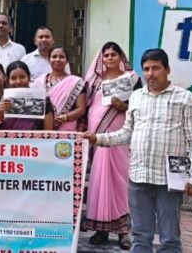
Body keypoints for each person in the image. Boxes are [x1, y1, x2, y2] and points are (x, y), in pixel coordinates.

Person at [84, 48, 192, 253]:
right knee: (140, 236)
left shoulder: (185, 98)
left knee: (169, 238)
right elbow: (126, 133)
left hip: (169, 178)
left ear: (167, 69)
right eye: (146, 69)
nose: (150, 74)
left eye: (156, 68)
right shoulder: (137, 97)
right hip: (139, 175)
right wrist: (98, 138)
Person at [82, 42, 142, 250]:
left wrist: (124, 107)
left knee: (119, 181)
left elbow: (141, 106)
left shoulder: (132, 79)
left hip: (120, 133)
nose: (109, 58)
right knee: (100, 179)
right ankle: (101, 230)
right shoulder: (94, 81)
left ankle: (123, 231)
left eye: (113, 55)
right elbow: (88, 106)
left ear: (121, 57)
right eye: (106, 55)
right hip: (97, 133)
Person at [0, 61, 54, 131]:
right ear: (8, 80)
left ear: (29, 77)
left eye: (22, 77)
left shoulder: (42, 102)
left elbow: (48, 134)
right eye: (13, 78)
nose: (18, 82)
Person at [33, 46, 87, 131]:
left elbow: (81, 109)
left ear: (67, 60)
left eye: (61, 57)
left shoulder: (76, 82)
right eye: (54, 57)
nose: (57, 59)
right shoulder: (38, 82)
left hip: (66, 128)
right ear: (48, 59)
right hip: (41, 128)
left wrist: (65, 117)